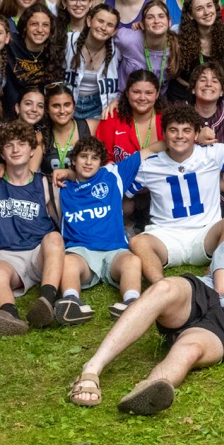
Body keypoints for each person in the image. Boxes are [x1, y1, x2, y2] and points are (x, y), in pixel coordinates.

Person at [68, 192, 224, 414]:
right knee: (164, 288)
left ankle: (149, 388)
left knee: (189, 350)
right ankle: (91, 370)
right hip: (204, 294)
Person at [126, 106, 224, 284]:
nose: (180, 136)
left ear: (196, 135)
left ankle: (211, 275)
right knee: (137, 242)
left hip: (204, 234)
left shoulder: (212, 153)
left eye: (186, 130)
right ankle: (160, 284)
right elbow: (123, 192)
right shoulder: (148, 166)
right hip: (166, 237)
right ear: (164, 135)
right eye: (173, 130)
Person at [0, 121, 66, 336]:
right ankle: (9, 315)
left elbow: (61, 222)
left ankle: (46, 301)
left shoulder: (45, 184)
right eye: (9, 145)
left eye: (21, 144)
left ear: (32, 150)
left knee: (55, 238)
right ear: (1, 153)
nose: (15, 149)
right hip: (7, 254)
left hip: (39, 252)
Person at [55, 137, 144, 322]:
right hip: (81, 252)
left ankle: (132, 302)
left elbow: (149, 152)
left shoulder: (112, 175)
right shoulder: (61, 186)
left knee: (133, 261)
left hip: (115, 250)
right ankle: (71, 302)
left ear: (100, 162)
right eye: (83, 157)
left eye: (94, 158)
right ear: (73, 160)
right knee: (68, 262)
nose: (88, 162)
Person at [60, 4, 121, 121]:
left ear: (114, 31)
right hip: (68, 103)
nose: (103, 27)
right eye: (100, 21)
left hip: (99, 106)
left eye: (110, 25)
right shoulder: (68, 41)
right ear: (89, 21)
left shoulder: (118, 49)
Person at [2, 3, 61, 117]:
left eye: (45, 25)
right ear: (25, 27)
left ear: (51, 29)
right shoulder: (10, 43)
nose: (40, 29)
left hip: (38, 115)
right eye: (34, 24)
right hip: (9, 113)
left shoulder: (53, 51)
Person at [172, 0, 224, 103]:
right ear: (190, 15)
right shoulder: (179, 40)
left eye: (209, 6)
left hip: (213, 97)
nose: (206, 12)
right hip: (182, 97)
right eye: (199, 9)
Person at [96, 69, 164, 162]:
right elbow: (103, 159)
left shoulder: (168, 120)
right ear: (127, 93)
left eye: (149, 93)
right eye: (136, 92)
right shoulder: (111, 118)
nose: (142, 98)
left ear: (157, 94)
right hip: (120, 175)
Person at [117, 0, 178, 92]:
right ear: (142, 24)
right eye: (150, 17)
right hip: (124, 101)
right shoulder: (128, 39)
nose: (156, 21)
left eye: (161, 16)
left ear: (169, 22)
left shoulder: (177, 46)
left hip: (158, 103)